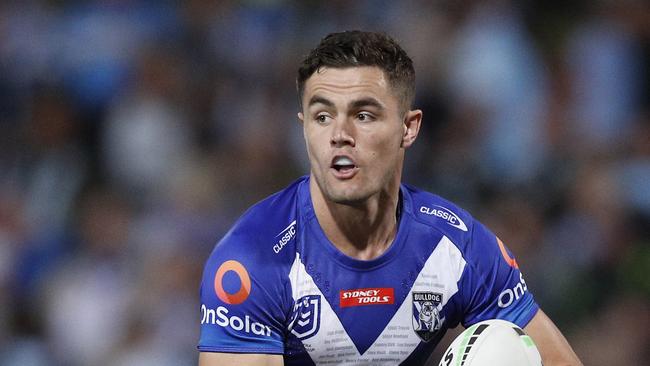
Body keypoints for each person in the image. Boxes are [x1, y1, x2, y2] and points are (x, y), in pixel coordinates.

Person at [197, 30, 583, 366]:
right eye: (322, 117)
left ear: (408, 128)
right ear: (304, 128)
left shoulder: (457, 246)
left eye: (363, 115)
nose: (339, 135)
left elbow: (558, 361)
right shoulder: (252, 259)